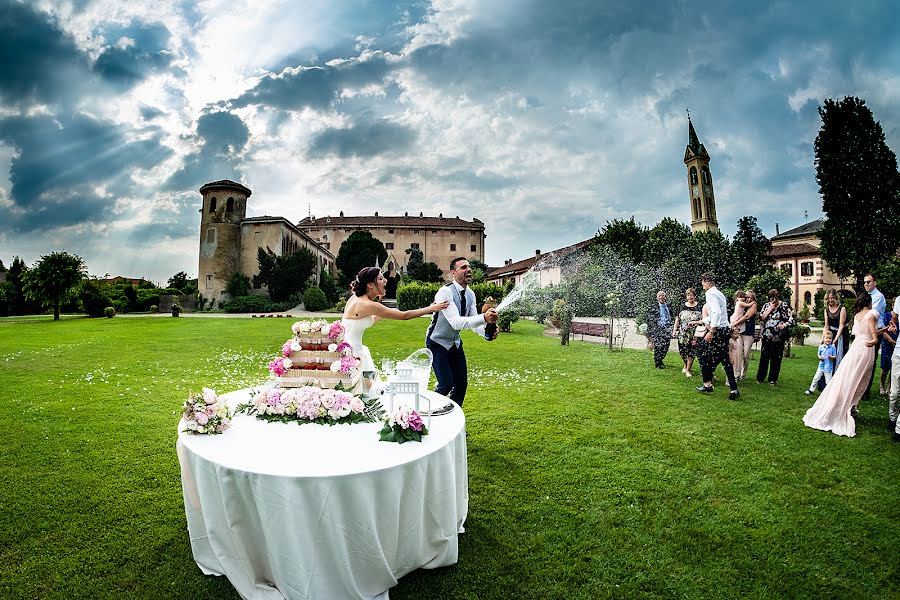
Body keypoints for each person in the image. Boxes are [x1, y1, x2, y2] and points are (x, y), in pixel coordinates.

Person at [803, 292, 886, 437]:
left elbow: (867, 332)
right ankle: (847, 407)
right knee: (859, 379)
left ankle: (848, 406)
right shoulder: (872, 314)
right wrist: (874, 339)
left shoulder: (857, 316)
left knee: (848, 377)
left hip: (856, 348)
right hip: (865, 349)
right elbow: (872, 336)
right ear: (869, 303)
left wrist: (883, 331)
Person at [342, 267, 449, 375]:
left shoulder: (356, 298)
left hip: (348, 349)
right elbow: (404, 315)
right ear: (370, 284)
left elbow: (356, 323)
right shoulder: (368, 305)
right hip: (353, 354)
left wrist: (382, 315)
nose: (385, 281)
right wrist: (431, 308)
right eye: (380, 279)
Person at [426, 257, 499, 407]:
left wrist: (486, 333)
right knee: (446, 383)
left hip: (454, 343)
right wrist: (484, 318)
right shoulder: (445, 292)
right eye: (464, 267)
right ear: (453, 273)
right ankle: (425, 412)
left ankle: (452, 421)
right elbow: (456, 322)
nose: (469, 270)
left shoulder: (470, 294)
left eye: (469, 267)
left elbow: (472, 321)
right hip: (437, 342)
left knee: (461, 384)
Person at [693, 272, 739, 400]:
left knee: (701, 352)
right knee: (724, 360)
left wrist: (712, 332)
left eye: (702, 282)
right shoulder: (719, 293)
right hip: (724, 330)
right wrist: (700, 322)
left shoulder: (710, 294)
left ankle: (707, 384)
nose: (702, 284)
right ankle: (734, 390)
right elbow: (716, 315)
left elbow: (717, 314)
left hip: (718, 331)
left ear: (707, 282)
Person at [756, 289, 794, 385]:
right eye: (772, 298)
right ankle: (760, 377)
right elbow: (761, 317)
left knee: (776, 357)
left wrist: (784, 325)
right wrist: (770, 308)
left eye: (776, 298)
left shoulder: (784, 305)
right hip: (767, 336)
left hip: (778, 336)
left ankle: (772, 379)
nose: (774, 300)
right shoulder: (766, 305)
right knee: (764, 356)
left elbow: (790, 318)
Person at [861, 273, 886, 401]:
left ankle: (866, 391)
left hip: (875, 332)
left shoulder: (878, 297)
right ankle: (860, 389)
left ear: (874, 283)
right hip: (864, 332)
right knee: (862, 361)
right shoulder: (866, 296)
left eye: (868, 282)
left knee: (870, 362)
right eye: (864, 282)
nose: (866, 284)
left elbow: (871, 315)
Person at [672, 287, 703, 378]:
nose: (690, 297)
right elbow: (677, 319)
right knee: (682, 350)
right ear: (686, 296)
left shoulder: (699, 306)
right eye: (688, 295)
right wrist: (675, 330)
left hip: (695, 333)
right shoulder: (682, 306)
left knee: (692, 351)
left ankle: (688, 369)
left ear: (695, 296)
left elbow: (703, 319)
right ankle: (685, 364)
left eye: (692, 295)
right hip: (683, 333)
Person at [729, 290, 756, 381]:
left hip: (748, 333)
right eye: (747, 297)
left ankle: (743, 373)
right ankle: (737, 373)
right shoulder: (741, 304)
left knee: (746, 355)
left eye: (751, 298)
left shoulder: (753, 305)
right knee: (738, 353)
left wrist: (735, 323)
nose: (748, 299)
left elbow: (746, 317)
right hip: (740, 332)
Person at [647, 290, 673, 369]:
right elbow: (650, 320)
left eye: (663, 296)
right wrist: (652, 331)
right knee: (658, 347)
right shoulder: (653, 307)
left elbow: (671, 316)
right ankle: (658, 363)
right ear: (657, 298)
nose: (661, 297)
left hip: (667, 329)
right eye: (660, 296)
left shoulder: (668, 306)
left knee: (666, 346)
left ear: (665, 297)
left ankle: (660, 359)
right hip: (658, 329)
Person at [886, 296, 900, 441]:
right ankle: (892, 418)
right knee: (894, 394)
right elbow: (894, 319)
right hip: (897, 355)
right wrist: (893, 325)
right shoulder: (899, 300)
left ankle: (898, 430)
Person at [805, 329, 836, 395]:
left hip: (828, 367)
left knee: (828, 381)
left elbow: (835, 356)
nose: (828, 340)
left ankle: (828, 393)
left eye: (830, 338)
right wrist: (819, 357)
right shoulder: (821, 347)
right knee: (816, 378)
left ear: (832, 339)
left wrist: (831, 357)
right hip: (821, 366)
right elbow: (819, 354)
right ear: (824, 339)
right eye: (827, 338)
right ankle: (811, 389)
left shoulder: (833, 348)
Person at [824, 289, 848, 371]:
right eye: (829, 298)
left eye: (832, 298)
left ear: (836, 298)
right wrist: (824, 338)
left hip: (841, 334)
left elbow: (841, 325)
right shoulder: (826, 310)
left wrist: (836, 339)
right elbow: (826, 325)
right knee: (829, 354)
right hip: (831, 333)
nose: (831, 300)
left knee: (840, 355)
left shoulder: (842, 309)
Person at [880, 321, 897, 395]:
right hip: (887, 344)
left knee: (894, 367)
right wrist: (891, 341)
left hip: (897, 345)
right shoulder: (887, 316)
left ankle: (889, 387)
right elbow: (883, 331)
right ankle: (881, 385)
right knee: (885, 368)